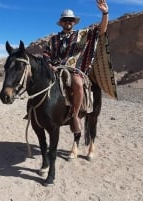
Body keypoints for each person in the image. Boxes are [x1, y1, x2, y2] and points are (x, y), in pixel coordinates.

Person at [43, 0, 109, 133]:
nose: (68, 22)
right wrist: (50, 65)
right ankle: (35, 111)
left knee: (78, 83)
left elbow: (101, 30)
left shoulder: (82, 35)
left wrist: (105, 13)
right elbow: (46, 53)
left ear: (74, 22)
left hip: (74, 69)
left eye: (70, 20)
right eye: (65, 20)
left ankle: (75, 115)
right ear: (61, 22)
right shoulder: (53, 39)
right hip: (55, 69)